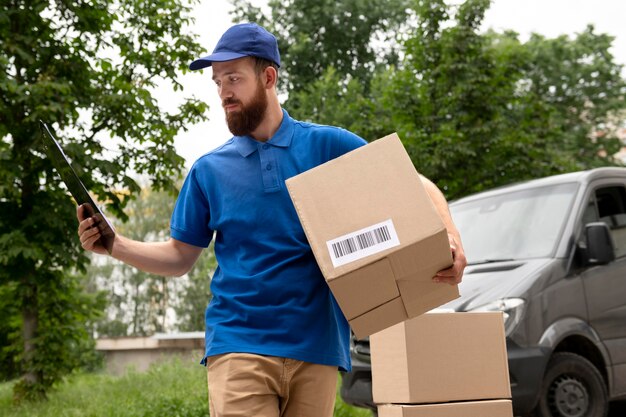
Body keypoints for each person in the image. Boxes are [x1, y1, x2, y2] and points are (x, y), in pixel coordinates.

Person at [77, 22, 466, 417]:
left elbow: (415, 183)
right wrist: (115, 244)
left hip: (318, 346)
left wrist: (450, 239)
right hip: (239, 344)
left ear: (268, 77)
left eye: (233, 78)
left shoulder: (327, 145)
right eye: (217, 82)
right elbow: (179, 257)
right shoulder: (209, 170)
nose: (224, 92)